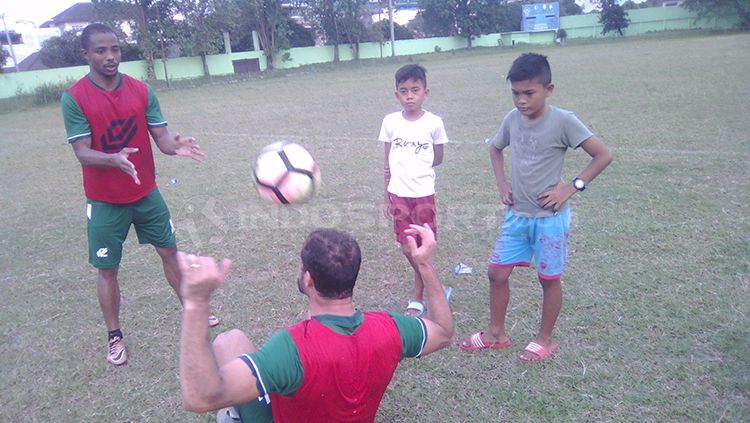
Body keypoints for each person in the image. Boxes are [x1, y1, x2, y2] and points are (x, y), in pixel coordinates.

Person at [178, 223, 454, 423]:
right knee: (233, 340)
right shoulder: (389, 328)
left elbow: (200, 397)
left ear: (308, 279)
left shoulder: (292, 349)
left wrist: (196, 303)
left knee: (228, 341)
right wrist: (425, 265)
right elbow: (442, 333)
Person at [61, 23, 218, 367]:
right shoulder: (74, 97)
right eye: (101, 51)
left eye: (115, 49)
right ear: (86, 55)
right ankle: (114, 336)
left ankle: (191, 310)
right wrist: (113, 160)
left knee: (171, 254)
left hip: (146, 194)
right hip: (104, 201)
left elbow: (161, 140)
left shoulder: (141, 91)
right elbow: (82, 152)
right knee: (107, 270)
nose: (110, 57)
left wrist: (173, 145)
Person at [458, 53, 612, 362]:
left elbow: (603, 155)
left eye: (529, 93)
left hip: (549, 220)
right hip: (516, 216)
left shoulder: (564, 121)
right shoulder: (512, 119)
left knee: (548, 278)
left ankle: (544, 339)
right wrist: (502, 184)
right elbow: (495, 147)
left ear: (549, 89)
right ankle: (496, 334)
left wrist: (571, 187)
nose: (521, 100)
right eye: (515, 92)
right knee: (496, 273)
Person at [378, 64, 451, 317]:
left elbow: (438, 157)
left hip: (423, 194)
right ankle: (434, 284)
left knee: (423, 245)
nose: (409, 95)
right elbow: (387, 162)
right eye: (404, 91)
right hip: (398, 194)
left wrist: (417, 168)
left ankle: (418, 296)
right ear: (397, 94)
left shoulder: (434, 123)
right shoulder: (390, 122)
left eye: (415, 90)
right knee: (406, 246)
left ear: (425, 93)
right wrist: (386, 195)